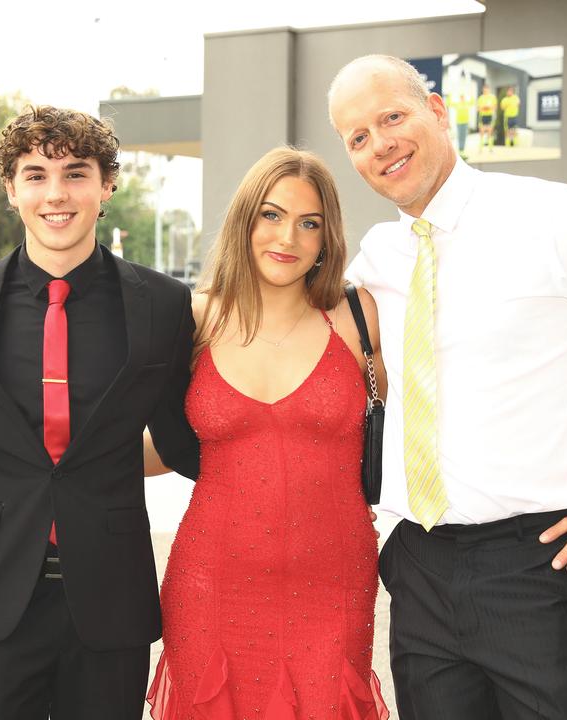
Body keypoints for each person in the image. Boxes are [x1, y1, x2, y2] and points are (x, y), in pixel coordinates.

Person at [328, 54, 567, 719]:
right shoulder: (380, 260)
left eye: (393, 116)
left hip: (541, 565)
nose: (380, 143)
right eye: (358, 137)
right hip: (420, 564)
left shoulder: (552, 217)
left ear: (438, 112)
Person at [0, 105, 200, 719]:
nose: (57, 193)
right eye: (36, 174)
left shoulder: (161, 303)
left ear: (107, 186)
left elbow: (184, 440)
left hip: (110, 597)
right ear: (11, 190)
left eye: (76, 173)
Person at [145, 147, 390, 719]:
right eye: (272, 216)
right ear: (244, 221)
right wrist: (58, 461)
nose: (289, 237)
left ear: (327, 238)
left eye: (310, 223)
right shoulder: (195, 318)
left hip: (333, 582)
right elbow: (169, 446)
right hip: (212, 580)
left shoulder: (358, 318)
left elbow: (411, 425)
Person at [476, 84, 497, 150]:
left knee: (490, 131)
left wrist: (489, 107)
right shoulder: (481, 98)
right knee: (482, 131)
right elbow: (478, 108)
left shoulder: (492, 97)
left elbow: (495, 107)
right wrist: (483, 107)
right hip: (482, 116)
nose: (486, 91)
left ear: (489, 90)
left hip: (490, 116)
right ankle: (481, 147)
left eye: (487, 89)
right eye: (484, 90)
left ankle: (490, 147)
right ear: (483, 90)